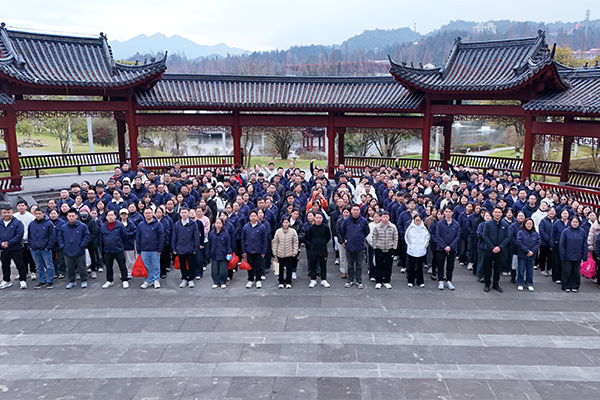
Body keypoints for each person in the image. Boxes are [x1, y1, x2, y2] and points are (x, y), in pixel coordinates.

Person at [58, 209, 90, 289]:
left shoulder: (82, 226)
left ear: (76, 216)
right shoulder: (63, 227)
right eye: (69, 216)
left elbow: (86, 236)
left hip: (79, 250)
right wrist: (62, 246)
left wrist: (82, 245)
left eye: (73, 216)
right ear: (67, 217)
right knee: (70, 268)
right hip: (67, 251)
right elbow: (60, 237)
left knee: (82, 267)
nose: (71, 217)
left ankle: (83, 280)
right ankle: (71, 281)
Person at [341, 204, 370, 289]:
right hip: (349, 246)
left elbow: (366, 231)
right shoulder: (346, 221)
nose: (355, 211)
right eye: (354, 210)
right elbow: (342, 231)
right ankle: (350, 280)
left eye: (357, 210)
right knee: (350, 265)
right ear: (351, 211)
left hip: (359, 246)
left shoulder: (363, 221)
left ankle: (359, 281)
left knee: (359, 265)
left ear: (360, 211)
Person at [482, 207, 510, 293]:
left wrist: (500, 247)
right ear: (493, 213)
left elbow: (507, 237)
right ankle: (487, 284)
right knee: (488, 267)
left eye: (499, 212)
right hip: (489, 249)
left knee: (497, 267)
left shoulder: (505, 225)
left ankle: (496, 284)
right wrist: (492, 247)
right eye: (496, 212)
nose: (497, 214)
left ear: (502, 213)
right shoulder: (488, 224)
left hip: (500, 250)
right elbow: (485, 236)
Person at [99, 210, 130, 289]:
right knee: (108, 266)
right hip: (107, 250)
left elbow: (125, 236)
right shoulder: (103, 226)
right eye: (108, 215)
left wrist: (120, 245)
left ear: (115, 216)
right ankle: (109, 280)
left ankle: (124, 280)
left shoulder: (120, 225)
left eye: (112, 215)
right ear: (106, 217)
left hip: (118, 249)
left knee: (122, 265)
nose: (110, 217)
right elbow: (101, 237)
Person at [136, 207, 165, 289]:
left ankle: (156, 280)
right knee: (146, 266)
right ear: (143, 214)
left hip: (155, 249)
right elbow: (138, 238)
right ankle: (148, 280)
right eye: (146, 213)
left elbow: (161, 237)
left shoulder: (158, 224)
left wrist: (160, 249)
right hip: (144, 249)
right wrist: (138, 249)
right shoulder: (140, 225)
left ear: (152, 213)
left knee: (156, 266)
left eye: (149, 213)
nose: (148, 214)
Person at [0, 205, 27, 290]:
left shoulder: (18, 223)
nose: (6, 214)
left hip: (16, 248)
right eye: (4, 212)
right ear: (1, 213)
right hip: (4, 249)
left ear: (12, 212)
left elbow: (19, 235)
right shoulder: (0, 223)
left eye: (8, 212)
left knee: (20, 265)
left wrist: (9, 243)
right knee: (5, 265)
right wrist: (1, 243)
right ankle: (6, 280)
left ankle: (23, 280)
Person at [28, 208, 56, 289]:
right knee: (39, 266)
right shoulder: (32, 224)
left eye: (39, 213)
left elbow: (52, 236)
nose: (38, 215)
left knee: (49, 265)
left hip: (45, 248)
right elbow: (29, 236)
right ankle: (42, 280)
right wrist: (30, 246)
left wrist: (48, 246)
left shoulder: (48, 223)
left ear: (43, 214)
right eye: (36, 214)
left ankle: (50, 281)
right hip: (34, 248)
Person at [172, 207, 200, 288]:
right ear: (180, 214)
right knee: (182, 265)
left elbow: (196, 237)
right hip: (180, 248)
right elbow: (174, 237)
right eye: (182, 212)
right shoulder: (177, 224)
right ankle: (184, 278)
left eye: (185, 212)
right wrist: (174, 248)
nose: (184, 214)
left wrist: (195, 248)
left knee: (191, 264)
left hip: (190, 248)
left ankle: (190, 279)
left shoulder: (193, 224)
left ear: (188, 213)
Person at [434, 207, 460, 290]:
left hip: (452, 248)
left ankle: (449, 280)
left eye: (449, 211)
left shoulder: (456, 224)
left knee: (450, 265)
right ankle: (440, 280)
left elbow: (457, 236)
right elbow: (438, 235)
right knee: (440, 264)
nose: (448, 213)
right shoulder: (440, 223)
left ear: (452, 213)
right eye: (446, 211)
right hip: (441, 248)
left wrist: (450, 246)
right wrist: (444, 246)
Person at [559, 217, 587, 293]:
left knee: (576, 272)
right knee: (566, 271)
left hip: (578, 255)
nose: (575, 223)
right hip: (567, 255)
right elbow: (562, 244)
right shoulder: (565, 231)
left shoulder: (582, 232)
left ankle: (575, 286)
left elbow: (584, 245)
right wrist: (562, 255)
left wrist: (584, 256)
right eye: (573, 222)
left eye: (576, 222)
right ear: (570, 222)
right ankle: (566, 286)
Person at [372, 210, 399, 289]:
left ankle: (387, 281)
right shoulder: (377, 227)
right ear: (381, 217)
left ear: (389, 217)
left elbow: (395, 237)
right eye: (383, 217)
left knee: (388, 266)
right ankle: (379, 281)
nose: (385, 218)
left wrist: (394, 248)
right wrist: (375, 247)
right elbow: (374, 237)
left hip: (389, 248)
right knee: (379, 266)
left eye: (386, 217)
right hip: (379, 248)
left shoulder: (393, 227)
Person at [241, 210, 268, 289]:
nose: (253, 217)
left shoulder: (262, 227)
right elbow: (243, 239)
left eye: (254, 216)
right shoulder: (246, 227)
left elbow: (265, 240)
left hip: (258, 250)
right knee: (250, 266)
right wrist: (244, 250)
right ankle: (250, 279)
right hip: (249, 250)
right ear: (249, 217)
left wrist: (264, 251)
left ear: (257, 216)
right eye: (251, 216)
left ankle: (258, 280)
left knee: (259, 266)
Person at [272, 217, 299, 289]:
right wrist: (274, 252)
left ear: (289, 223)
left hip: (289, 253)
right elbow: (275, 242)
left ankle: (288, 282)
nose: (285, 224)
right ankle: (281, 281)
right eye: (284, 222)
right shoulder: (278, 231)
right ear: (282, 223)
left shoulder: (293, 231)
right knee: (280, 269)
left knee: (289, 268)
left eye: (287, 222)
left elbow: (295, 242)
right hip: (280, 253)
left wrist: (295, 252)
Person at [305, 212, 331, 288]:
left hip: (323, 248)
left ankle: (323, 279)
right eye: (317, 218)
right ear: (314, 218)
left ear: (322, 219)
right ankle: (313, 279)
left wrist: (323, 242)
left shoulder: (325, 227)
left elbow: (328, 237)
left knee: (323, 264)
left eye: (320, 218)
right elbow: (308, 237)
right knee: (313, 264)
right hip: (313, 249)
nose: (318, 219)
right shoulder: (311, 228)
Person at [404, 213, 429, 288]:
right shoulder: (410, 228)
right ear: (413, 220)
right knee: (411, 267)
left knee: (420, 267)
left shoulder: (423, 229)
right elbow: (406, 237)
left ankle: (420, 281)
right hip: (412, 250)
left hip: (421, 250)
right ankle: (410, 281)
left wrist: (424, 246)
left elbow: (427, 238)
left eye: (419, 220)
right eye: (416, 220)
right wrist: (410, 245)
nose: (418, 222)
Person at [516, 218, 540, 291]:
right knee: (521, 269)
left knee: (530, 270)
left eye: (530, 224)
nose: (529, 225)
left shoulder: (535, 234)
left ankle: (529, 283)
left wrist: (532, 251)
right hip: (522, 254)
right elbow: (519, 243)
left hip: (532, 255)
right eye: (527, 224)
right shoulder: (520, 232)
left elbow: (538, 243)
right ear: (524, 224)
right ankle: (520, 283)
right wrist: (527, 251)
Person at [14, 200, 36, 281]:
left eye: (22, 205)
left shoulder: (30, 216)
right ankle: (24, 272)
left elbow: (32, 228)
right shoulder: (14, 216)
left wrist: (26, 236)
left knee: (30, 257)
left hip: (28, 240)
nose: (21, 207)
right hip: (18, 241)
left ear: (26, 207)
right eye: (19, 206)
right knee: (21, 258)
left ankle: (33, 271)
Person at [208, 217, 231, 289]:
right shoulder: (211, 233)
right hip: (214, 253)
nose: (218, 224)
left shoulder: (225, 233)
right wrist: (209, 253)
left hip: (223, 253)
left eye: (219, 223)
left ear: (222, 224)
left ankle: (222, 282)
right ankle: (216, 282)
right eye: (216, 223)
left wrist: (228, 252)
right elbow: (209, 244)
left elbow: (228, 244)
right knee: (214, 269)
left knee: (223, 269)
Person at [551, 209, 571, 285]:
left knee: (566, 263)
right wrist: (552, 244)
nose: (565, 215)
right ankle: (556, 277)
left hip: (568, 246)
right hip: (557, 245)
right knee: (557, 262)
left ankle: (564, 277)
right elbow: (553, 235)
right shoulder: (556, 223)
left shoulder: (570, 223)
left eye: (566, 213)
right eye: (563, 213)